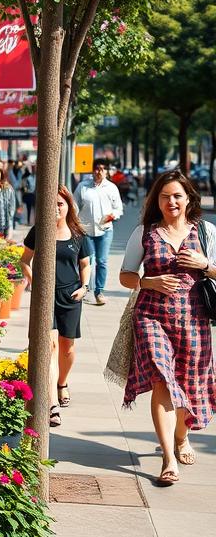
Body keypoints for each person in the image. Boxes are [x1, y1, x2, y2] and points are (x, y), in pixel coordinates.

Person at [118, 171, 216, 486]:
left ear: (189, 198)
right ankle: (168, 458)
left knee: (187, 386)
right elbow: (126, 275)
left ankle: (182, 437)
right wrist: (149, 281)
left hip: (194, 319)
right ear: (156, 200)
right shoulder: (144, 232)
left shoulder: (205, 232)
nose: (170, 201)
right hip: (151, 316)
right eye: (164, 196)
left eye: (177, 195)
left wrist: (204, 265)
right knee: (162, 378)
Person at [20, 186, 91, 428]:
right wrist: (34, 282)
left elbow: (85, 264)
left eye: (60, 204)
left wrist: (85, 287)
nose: (56, 208)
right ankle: (52, 404)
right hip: (45, 298)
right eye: (51, 203)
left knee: (67, 348)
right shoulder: (39, 230)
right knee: (49, 346)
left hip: (70, 295)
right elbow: (24, 261)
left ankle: (62, 382)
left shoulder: (78, 233)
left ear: (69, 205)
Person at [74, 160, 124, 305]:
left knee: (102, 261)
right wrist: (75, 222)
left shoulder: (111, 188)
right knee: (86, 261)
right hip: (86, 230)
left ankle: (99, 292)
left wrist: (112, 216)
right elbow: (75, 205)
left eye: (103, 169)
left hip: (105, 230)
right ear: (92, 170)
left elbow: (118, 208)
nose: (99, 171)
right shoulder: (83, 187)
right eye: (97, 168)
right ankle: (84, 288)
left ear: (107, 171)